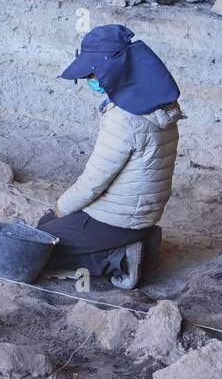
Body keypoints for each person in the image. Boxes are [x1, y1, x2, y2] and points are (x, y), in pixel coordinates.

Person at [38, 24, 182, 289]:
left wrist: (60, 209)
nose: (90, 81)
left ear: (112, 70)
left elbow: (93, 182)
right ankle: (142, 241)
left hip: (117, 218)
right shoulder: (159, 104)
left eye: (93, 74)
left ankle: (119, 259)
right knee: (56, 226)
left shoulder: (124, 119)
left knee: (39, 241)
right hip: (143, 213)